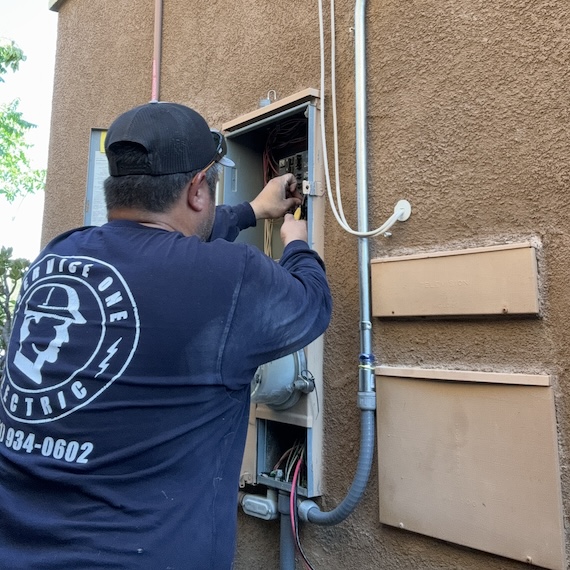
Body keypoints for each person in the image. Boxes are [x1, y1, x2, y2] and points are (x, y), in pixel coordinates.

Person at [0, 101, 332, 569]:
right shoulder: (227, 278)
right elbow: (312, 304)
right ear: (198, 189)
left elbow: (163, 243)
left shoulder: (55, 258)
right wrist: (295, 241)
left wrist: (253, 211)